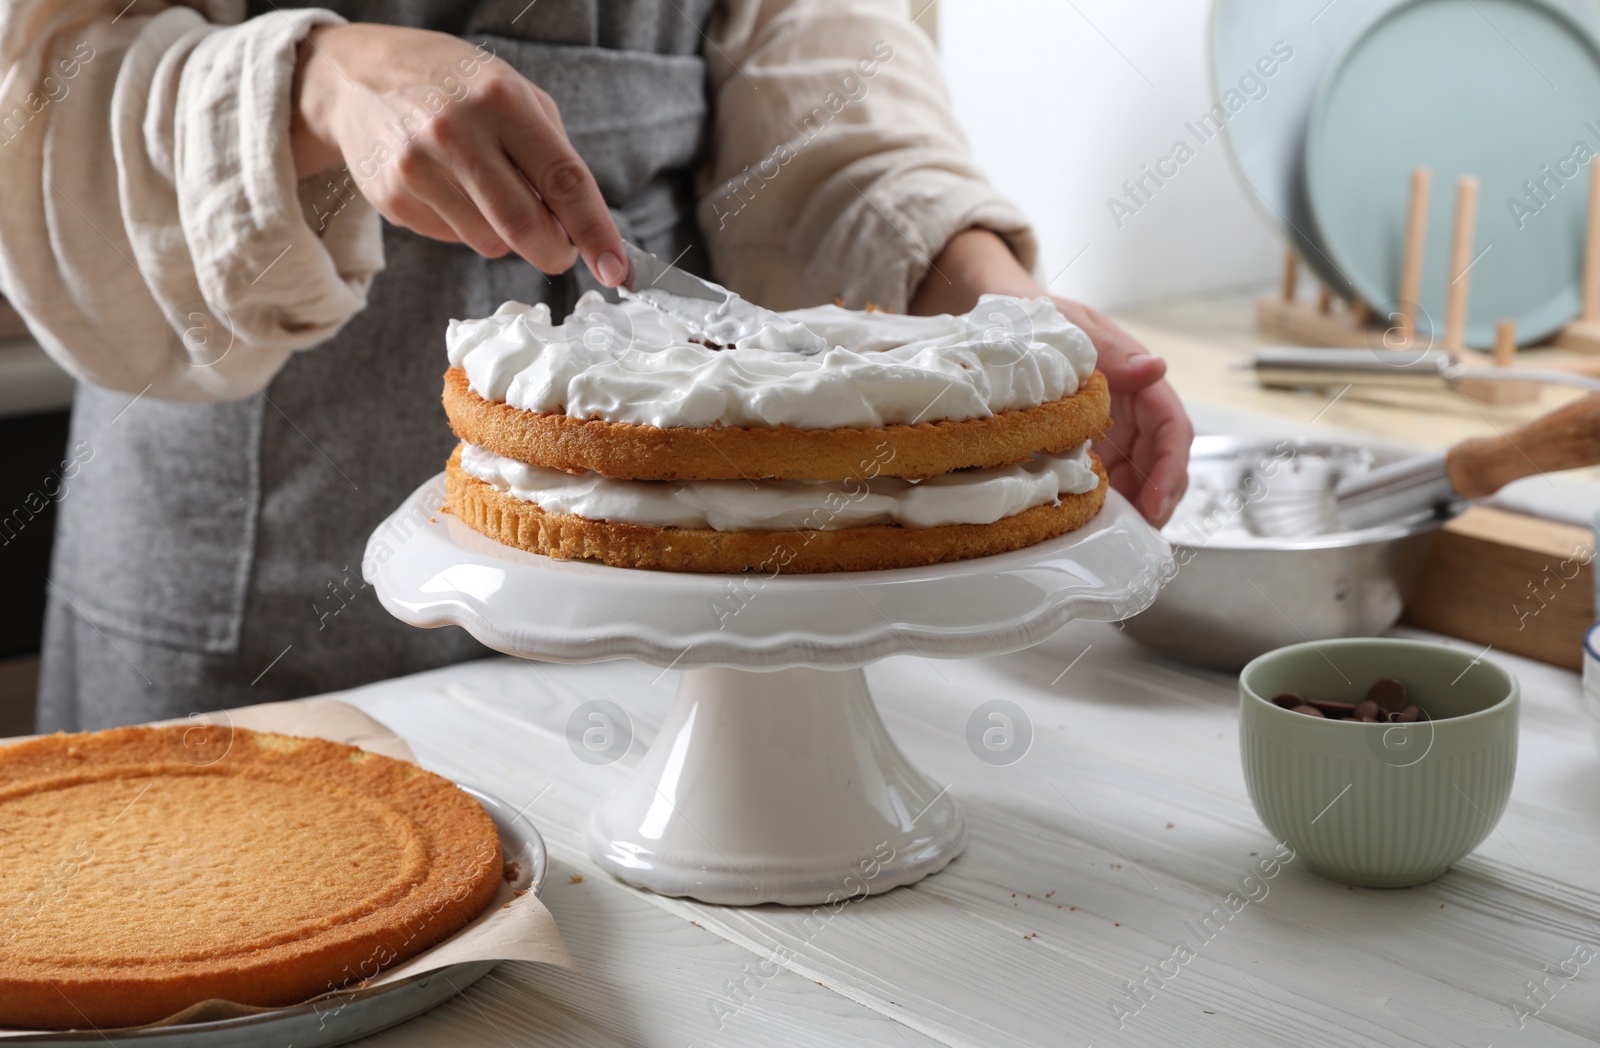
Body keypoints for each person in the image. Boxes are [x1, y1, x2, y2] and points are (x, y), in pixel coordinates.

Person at [0, 0, 1192, 731]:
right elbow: (37, 80)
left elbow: (831, 108)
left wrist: (1005, 327)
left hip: (677, 598)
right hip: (241, 577)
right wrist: (313, 83)